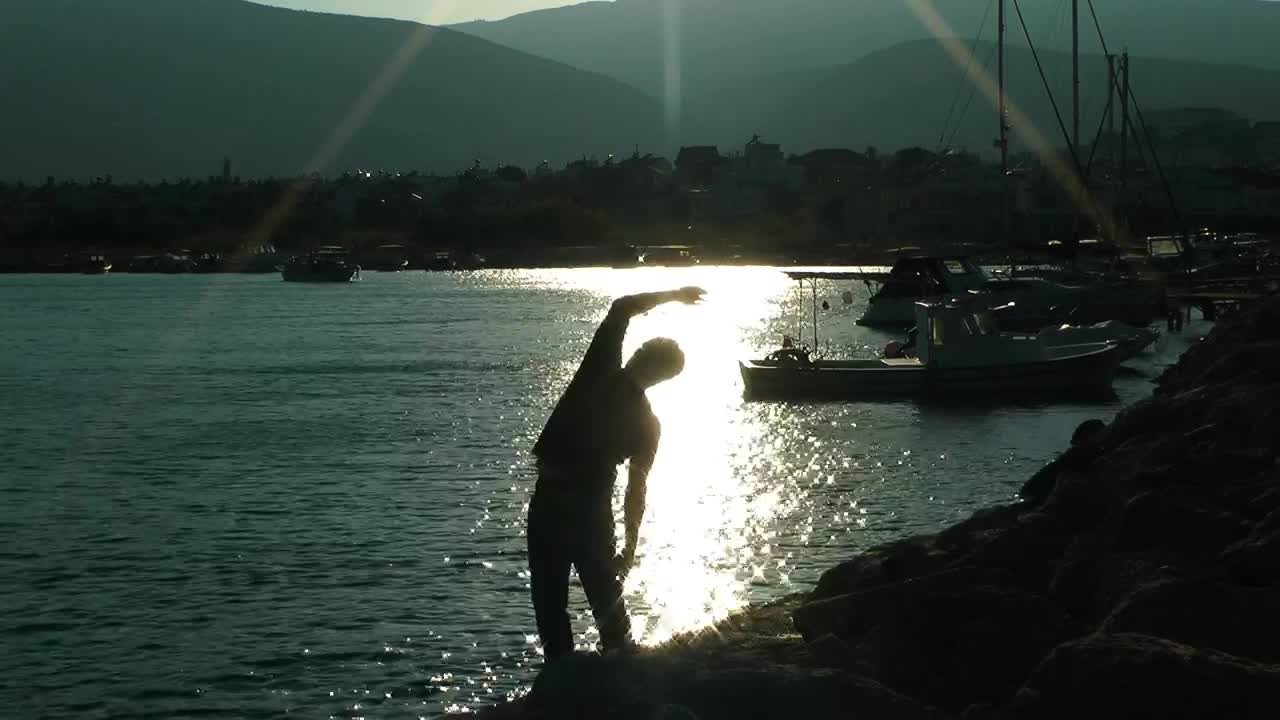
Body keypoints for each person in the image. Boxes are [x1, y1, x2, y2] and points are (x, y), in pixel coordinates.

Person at [528, 287, 705, 660]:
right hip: (586, 505)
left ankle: (569, 673)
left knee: (554, 600)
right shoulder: (647, 420)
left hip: (562, 500)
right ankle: (614, 663)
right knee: (599, 597)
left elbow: (622, 307)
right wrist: (630, 544)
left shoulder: (603, 374)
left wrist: (675, 295)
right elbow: (636, 489)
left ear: (644, 361)